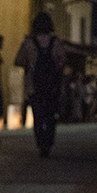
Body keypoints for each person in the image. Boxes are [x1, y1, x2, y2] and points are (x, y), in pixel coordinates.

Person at [14, 12, 67, 157]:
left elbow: (18, 61)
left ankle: (40, 143)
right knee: (50, 117)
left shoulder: (29, 43)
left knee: (38, 117)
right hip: (52, 88)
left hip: (34, 87)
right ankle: (48, 144)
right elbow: (63, 61)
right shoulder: (56, 42)